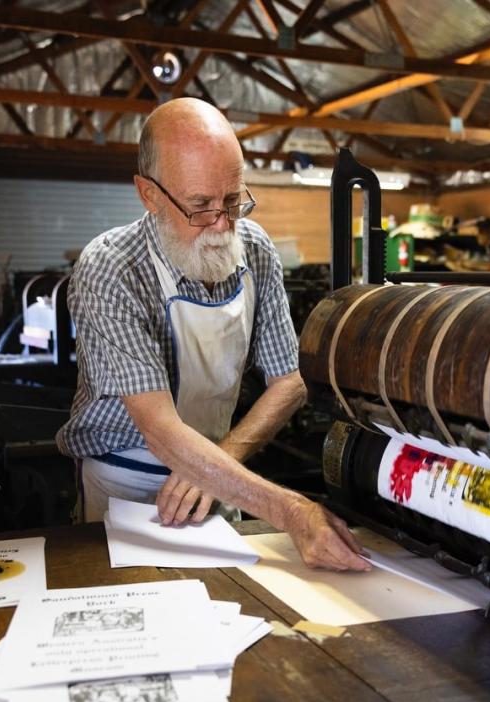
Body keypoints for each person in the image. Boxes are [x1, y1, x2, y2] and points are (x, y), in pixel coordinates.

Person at [56, 97, 370, 573]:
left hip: (223, 477)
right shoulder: (111, 268)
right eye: (201, 207)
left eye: (233, 201)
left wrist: (224, 459)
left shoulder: (256, 249)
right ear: (149, 194)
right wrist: (291, 510)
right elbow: (160, 431)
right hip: (128, 489)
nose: (222, 225)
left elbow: (290, 380)